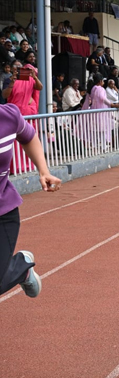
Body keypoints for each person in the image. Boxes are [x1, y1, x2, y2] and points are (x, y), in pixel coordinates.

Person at [1, 102, 62, 300]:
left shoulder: (8, 115)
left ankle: (21, 266)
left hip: (2, 212)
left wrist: (44, 171)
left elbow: (28, 136)